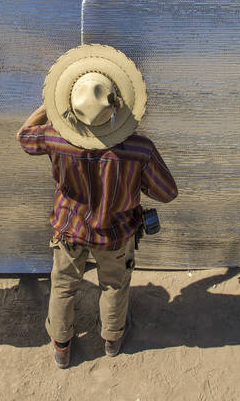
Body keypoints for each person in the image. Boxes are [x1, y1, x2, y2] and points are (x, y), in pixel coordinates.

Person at [17, 44, 178, 369]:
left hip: (69, 232)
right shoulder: (138, 148)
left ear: (70, 105)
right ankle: (112, 340)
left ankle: (62, 348)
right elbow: (167, 193)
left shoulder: (54, 138)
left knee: (62, 287)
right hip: (116, 236)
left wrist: (49, 106)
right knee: (114, 286)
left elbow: (23, 136)